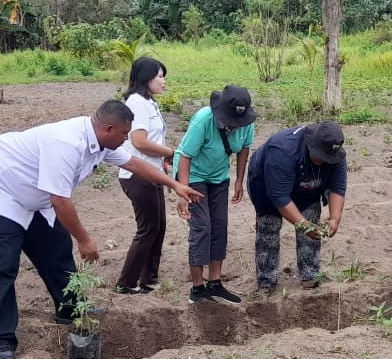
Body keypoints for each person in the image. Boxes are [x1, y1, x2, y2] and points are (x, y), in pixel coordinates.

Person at [0, 100, 202, 359]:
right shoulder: (66, 144)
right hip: (0, 192)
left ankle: (69, 309)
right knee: (0, 268)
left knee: (57, 252)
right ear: (108, 128)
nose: (127, 138)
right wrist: (84, 239)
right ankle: (0, 341)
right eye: (125, 133)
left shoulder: (102, 141)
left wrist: (175, 185)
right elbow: (60, 201)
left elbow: (135, 164)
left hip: (36, 196)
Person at [177, 85, 257, 305]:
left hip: (219, 176)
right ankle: (197, 288)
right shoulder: (203, 120)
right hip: (193, 175)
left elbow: (244, 149)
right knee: (202, 227)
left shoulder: (246, 123)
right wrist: (182, 192)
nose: (235, 126)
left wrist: (239, 181)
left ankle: (215, 283)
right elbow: (185, 156)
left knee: (219, 225)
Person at [248, 122, 347, 294]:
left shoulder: (335, 154)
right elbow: (279, 196)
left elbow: (337, 187)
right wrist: (303, 224)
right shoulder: (283, 150)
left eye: (327, 158)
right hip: (267, 184)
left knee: (311, 221)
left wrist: (334, 218)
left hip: (307, 187)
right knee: (269, 227)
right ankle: (266, 282)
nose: (322, 160)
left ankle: (310, 276)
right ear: (311, 145)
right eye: (319, 156)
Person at [113, 57, 177, 295]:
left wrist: (163, 158)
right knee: (148, 228)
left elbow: (151, 140)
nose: (163, 82)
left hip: (152, 171)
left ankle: (148, 279)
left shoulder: (148, 102)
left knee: (158, 226)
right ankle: (127, 283)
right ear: (146, 78)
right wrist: (172, 152)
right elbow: (139, 142)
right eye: (160, 76)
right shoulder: (137, 103)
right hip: (139, 174)